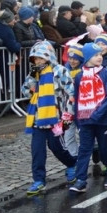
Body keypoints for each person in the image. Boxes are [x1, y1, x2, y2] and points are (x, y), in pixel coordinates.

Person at [22, 41, 77, 195]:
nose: (38, 61)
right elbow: (26, 91)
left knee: (57, 148)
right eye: (35, 59)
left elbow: (71, 93)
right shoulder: (35, 73)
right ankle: (39, 180)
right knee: (37, 151)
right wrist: (32, 79)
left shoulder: (59, 71)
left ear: (48, 56)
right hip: (38, 120)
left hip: (55, 119)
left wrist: (67, 116)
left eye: (40, 58)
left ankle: (72, 164)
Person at [68, 43, 107, 193]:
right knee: (84, 149)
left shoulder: (106, 74)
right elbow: (77, 98)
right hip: (85, 120)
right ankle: (81, 179)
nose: (99, 57)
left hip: (102, 119)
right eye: (95, 55)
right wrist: (78, 118)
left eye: (100, 55)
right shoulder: (79, 76)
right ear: (87, 57)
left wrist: (99, 113)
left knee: (106, 147)